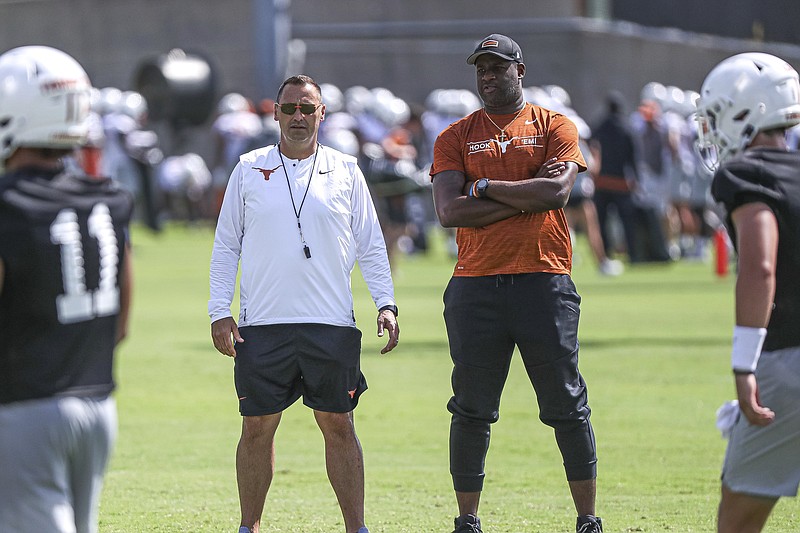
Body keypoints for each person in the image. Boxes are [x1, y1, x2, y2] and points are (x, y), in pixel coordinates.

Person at [208, 75, 400, 533]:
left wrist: (386, 303)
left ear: (322, 115)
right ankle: (248, 526)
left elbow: (371, 244)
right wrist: (220, 309)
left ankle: (357, 527)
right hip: (263, 324)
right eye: (290, 108)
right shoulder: (248, 167)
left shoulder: (346, 169)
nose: (298, 117)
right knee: (256, 427)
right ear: (274, 113)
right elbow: (225, 245)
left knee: (339, 424)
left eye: (307, 109)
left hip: (330, 322)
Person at [430, 34, 602, 533]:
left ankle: (587, 518)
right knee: (471, 408)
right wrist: (523, 195)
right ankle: (467, 520)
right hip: (475, 285)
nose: (487, 76)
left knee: (566, 403)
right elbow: (448, 210)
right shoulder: (455, 136)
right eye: (481, 68)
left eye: (497, 67)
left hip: (543, 279)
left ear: (519, 70)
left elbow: (557, 192)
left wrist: (483, 187)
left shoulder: (555, 125)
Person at [0, 45, 134, 533]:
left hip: (24, 409)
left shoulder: (10, 204)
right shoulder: (111, 198)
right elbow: (121, 321)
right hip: (98, 405)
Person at [696, 52, 800, 533]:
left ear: (743, 111)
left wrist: (745, 365)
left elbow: (760, 267)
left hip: (787, 358)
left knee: (739, 517)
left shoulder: (749, 173)